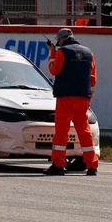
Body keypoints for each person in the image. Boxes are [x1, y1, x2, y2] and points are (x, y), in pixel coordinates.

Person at [42, 28, 99, 176]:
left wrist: (52, 53)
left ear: (61, 39)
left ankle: (59, 164)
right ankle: (92, 165)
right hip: (83, 98)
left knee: (61, 132)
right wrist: (89, 96)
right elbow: (92, 78)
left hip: (66, 97)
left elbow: (53, 69)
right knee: (85, 131)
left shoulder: (62, 52)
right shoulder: (88, 53)